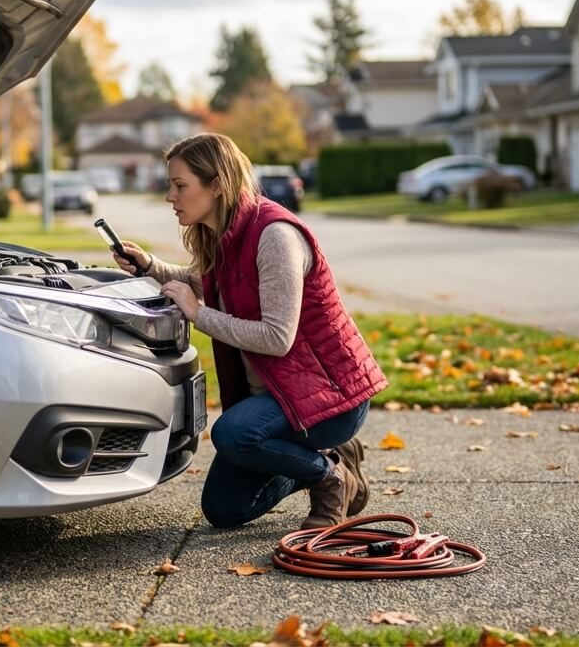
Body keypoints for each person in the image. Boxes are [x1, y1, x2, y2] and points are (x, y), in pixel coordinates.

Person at [112, 132, 387, 530]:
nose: (170, 197)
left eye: (180, 185)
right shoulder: (227, 236)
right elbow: (211, 285)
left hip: (328, 399)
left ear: (217, 184)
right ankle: (331, 458)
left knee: (234, 433)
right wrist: (150, 265)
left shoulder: (275, 236)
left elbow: (278, 338)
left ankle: (329, 475)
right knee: (225, 509)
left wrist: (197, 314)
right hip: (280, 396)